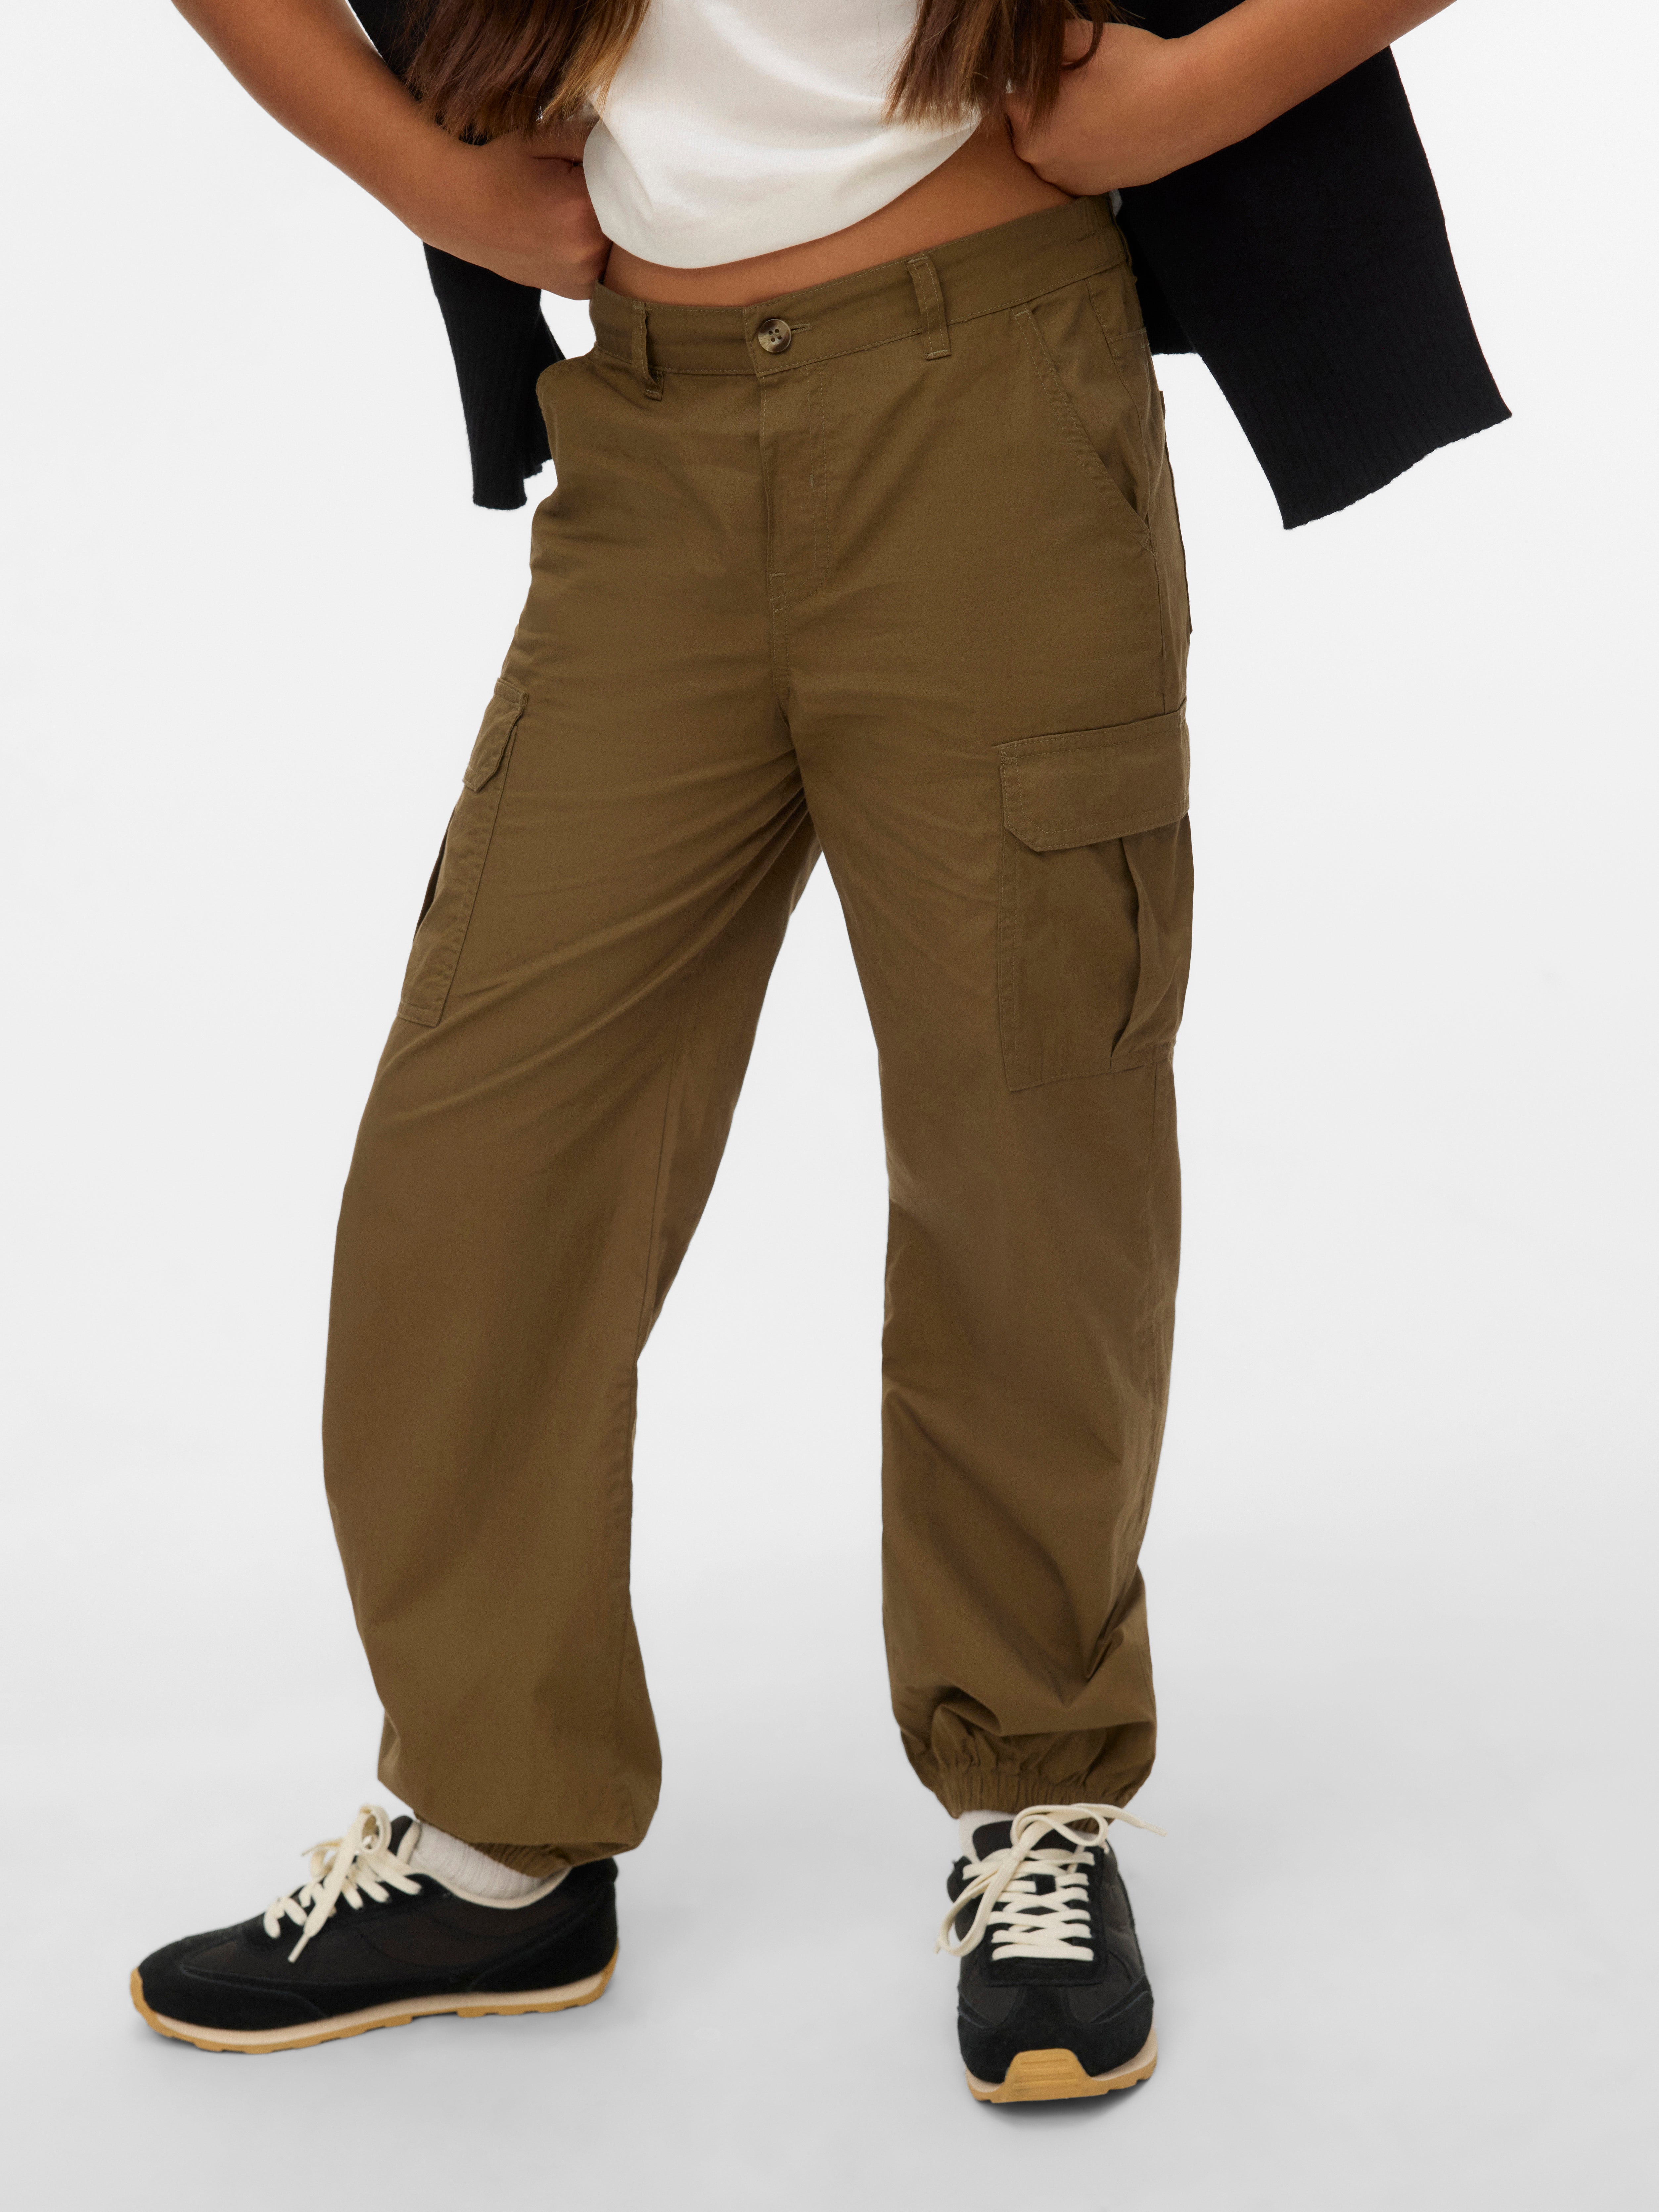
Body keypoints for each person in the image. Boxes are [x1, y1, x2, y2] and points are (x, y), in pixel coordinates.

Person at [132, 0, 1484, 2102]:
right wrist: (430, 177)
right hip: (647, 437)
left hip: (990, 400)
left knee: (1023, 1150)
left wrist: (1170, 102)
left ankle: (1034, 1803)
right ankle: (494, 1841)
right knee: (474, 1164)